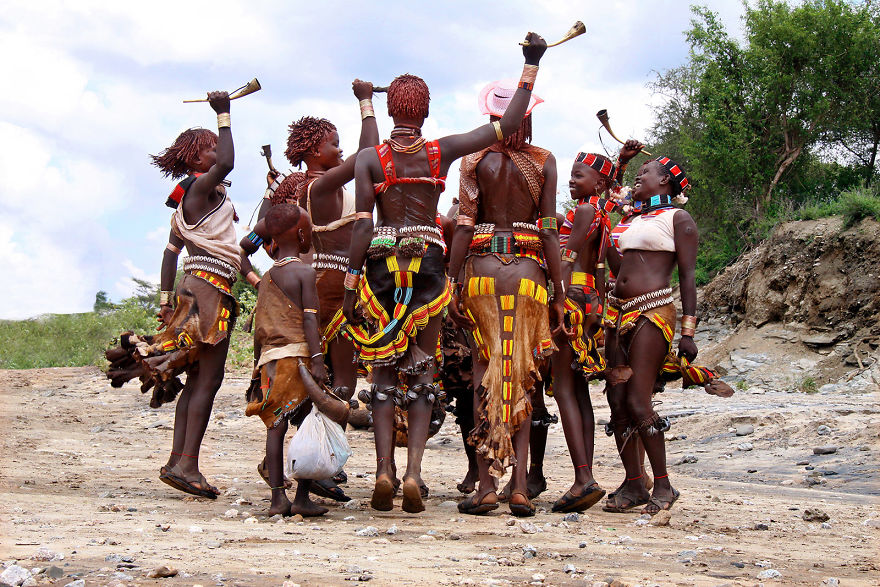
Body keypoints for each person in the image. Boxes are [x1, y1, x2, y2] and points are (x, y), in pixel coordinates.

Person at [343, 32, 550, 514]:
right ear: (426, 111)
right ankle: (415, 470)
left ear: (391, 109)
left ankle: (384, 470)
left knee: (382, 373)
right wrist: (531, 65)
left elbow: (360, 227)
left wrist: (352, 283)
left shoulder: (373, 159)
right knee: (422, 369)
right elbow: (508, 123)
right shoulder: (440, 152)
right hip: (431, 267)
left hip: (380, 267)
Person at [239, 81, 380, 501]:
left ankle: (308, 457)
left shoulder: (305, 189)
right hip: (328, 289)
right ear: (313, 152)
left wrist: (261, 273)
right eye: (333, 144)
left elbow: (250, 244)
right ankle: (307, 461)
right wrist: (365, 102)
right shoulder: (318, 186)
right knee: (335, 380)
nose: (340, 151)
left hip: (324, 285)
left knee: (332, 380)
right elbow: (370, 152)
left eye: (340, 145)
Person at [105, 91, 241, 498]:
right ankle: (187, 466)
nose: (217, 154)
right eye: (209, 150)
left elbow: (170, 253)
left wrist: (166, 300)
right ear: (193, 161)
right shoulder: (200, 188)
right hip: (208, 290)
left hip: (192, 288)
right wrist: (224, 115)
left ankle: (179, 460)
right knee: (208, 379)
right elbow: (230, 162)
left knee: (199, 377)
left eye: (216, 147)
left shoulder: (193, 201)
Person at [445, 78, 565, 517]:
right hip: (530, 276)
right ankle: (519, 487)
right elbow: (549, 229)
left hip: (482, 275)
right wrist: (558, 289)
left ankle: (486, 487)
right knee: (522, 374)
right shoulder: (545, 161)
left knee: (485, 371)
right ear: (526, 117)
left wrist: (452, 278)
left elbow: (463, 224)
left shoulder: (474, 161)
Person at [601, 155, 698, 515]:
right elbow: (617, 268)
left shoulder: (678, 219)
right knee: (617, 401)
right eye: (638, 173)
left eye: (646, 173)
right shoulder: (630, 219)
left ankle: (664, 484)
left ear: (666, 182)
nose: (639, 177)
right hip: (617, 313)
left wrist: (687, 331)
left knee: (639, 401)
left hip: (654, 311)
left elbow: (687, 277)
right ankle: (633, 482)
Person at [547, 143, 641, 512]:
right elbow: (606, 267)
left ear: (597, 184)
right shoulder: (601, 213)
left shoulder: (585, 210)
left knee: (565, 391)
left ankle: (582, 478)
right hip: (589, 300)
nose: (571, 180)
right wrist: (619, 162)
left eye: (578, 175)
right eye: (570, 174)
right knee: (579, 391)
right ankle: (583, 475)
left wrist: (553, 300)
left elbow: (567, 258)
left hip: (570, 297)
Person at [245, 203, 348, 517]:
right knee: (308, 425)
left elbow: (260, 328)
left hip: (270, 362)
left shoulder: (268, 277)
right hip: (299, 362)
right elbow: (309, 322)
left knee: (275, 427)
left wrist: (256, 368)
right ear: (301, 234)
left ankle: (278, 498)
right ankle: (301, 496)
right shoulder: (304, 272)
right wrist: (318, 360)